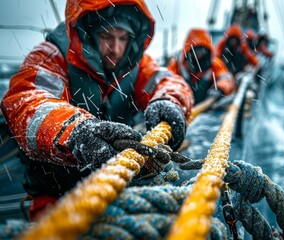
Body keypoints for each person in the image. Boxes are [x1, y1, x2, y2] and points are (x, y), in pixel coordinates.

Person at [0, 0, 193, 220]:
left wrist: (170, 101)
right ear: (90, 33)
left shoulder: (137, 64)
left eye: (123, 38)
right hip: (55, 196)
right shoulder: (51, 56)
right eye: (107, 37)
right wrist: (75, 132)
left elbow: (167, 82)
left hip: (116, 187)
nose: (116, 48)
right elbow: (27, 100)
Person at [167, 28, 235, 105]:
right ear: (189, 50)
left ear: (207, 51)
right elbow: (166, 82)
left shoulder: (215, 63)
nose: (199, 54)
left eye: (202, 50)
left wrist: (220, 88)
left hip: (205, 108)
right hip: (181, 107)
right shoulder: (177, 64)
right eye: (196, 50)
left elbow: (226, 78)